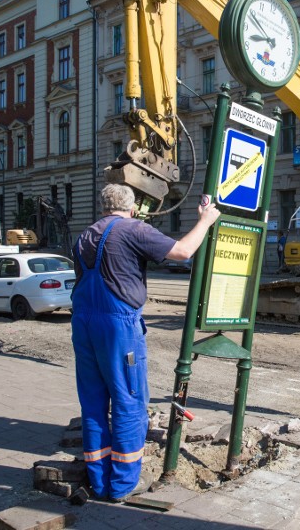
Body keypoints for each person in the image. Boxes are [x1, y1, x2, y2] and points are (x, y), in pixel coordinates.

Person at [71, 184, 220, 502]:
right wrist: (205, 221)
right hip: (118, 325)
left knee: (94, 405)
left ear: (102, 206)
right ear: (133, 207)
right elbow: (182, 252)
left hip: (83, 322)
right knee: (129, 402)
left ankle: (99, 482)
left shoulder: (85, 236)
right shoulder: (132, 229)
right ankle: (122, 485)